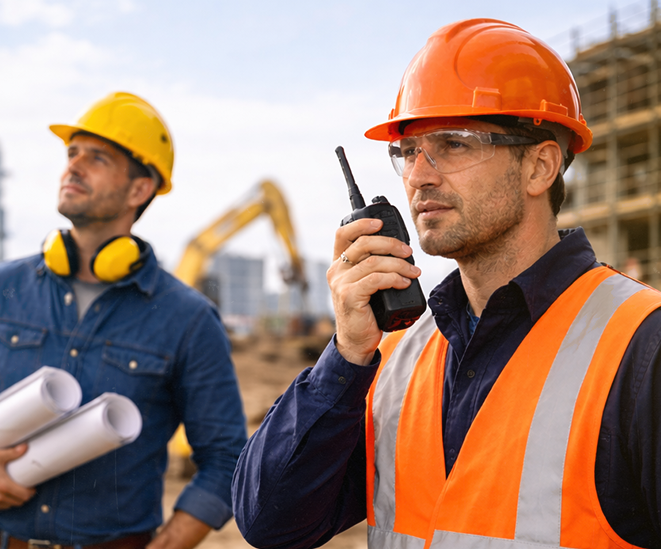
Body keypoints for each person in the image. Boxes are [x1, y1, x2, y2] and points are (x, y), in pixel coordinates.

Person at [232, 18, 661, 549]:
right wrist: (345, 356)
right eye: (409, 152)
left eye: (454, 145)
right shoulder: (391, 353)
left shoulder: (642, 346)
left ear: (540, 166)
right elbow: (270, 522)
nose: (419, 175)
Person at [0, 91, 247, 549]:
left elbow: (225, 458)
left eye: (96, 158)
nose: (73, 167)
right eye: (71, 153)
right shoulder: (0, 288)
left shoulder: (188, 318)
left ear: (140, 189)